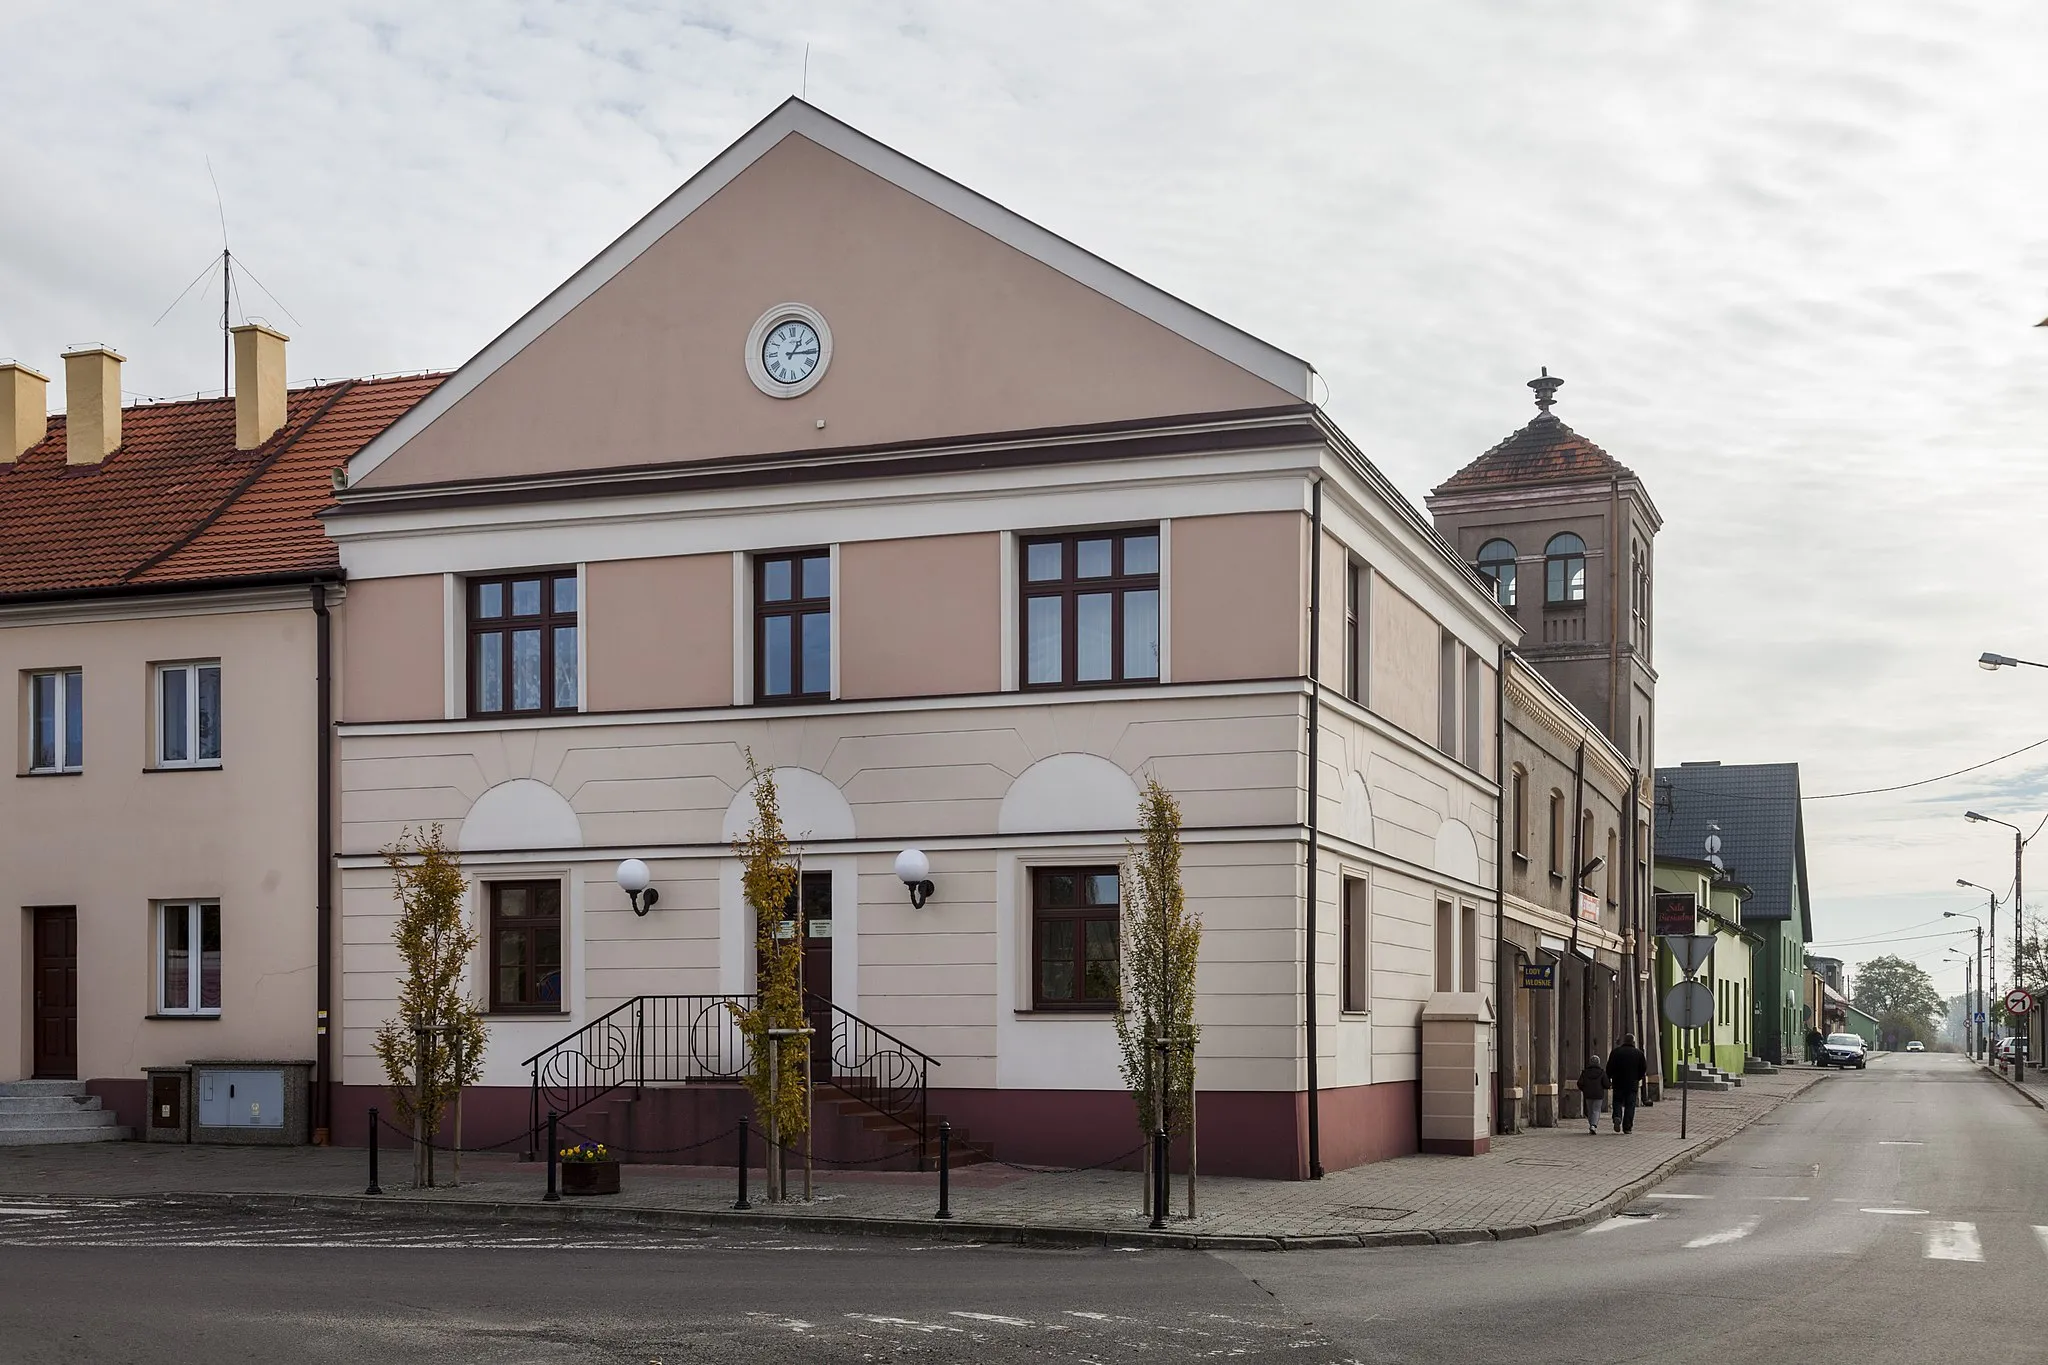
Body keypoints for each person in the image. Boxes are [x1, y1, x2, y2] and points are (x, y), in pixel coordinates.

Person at [1605, 1034, 1649, 1134]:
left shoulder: (1616, 1052)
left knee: (1617, 1101)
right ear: (1633, 1042)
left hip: (1618, 1082)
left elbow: (1609, 1067)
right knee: (1630, 1105)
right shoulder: (1639, 1053)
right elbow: (1643, 1068)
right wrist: (1637, 1078)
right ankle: (1627, 1127)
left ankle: (1617, 1116)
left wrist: (1609, 1077)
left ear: (1624, 1041)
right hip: (1632, 1084)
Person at [1576, 1055, 1609, 1135]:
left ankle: (1591, 1125)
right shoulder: (1602, 1072)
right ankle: (1593, 1125)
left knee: (1590, 1110)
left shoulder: (1585, 1072)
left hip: (1588, 1094)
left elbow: (1580, 1083)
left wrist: (1584, 1089)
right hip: (1598, 1094)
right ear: (1598, 1063)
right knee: (1596, 1110)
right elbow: (1606, 1084)